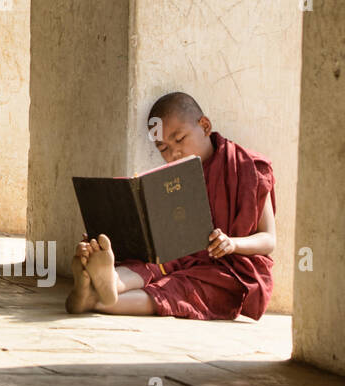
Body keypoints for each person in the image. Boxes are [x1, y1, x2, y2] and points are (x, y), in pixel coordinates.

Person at [66, 92, 276, 319]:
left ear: (205, 126)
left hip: (226, 267)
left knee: (181, 288)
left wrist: (231, 244)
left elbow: (268, 240)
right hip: (178, 257)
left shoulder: (246, 167)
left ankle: (94, 297)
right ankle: (111, 281)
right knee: (152, 262)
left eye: (179, 139)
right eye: (163, 148)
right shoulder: (171, 179)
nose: (174, 153)